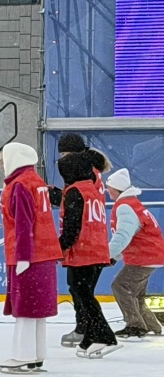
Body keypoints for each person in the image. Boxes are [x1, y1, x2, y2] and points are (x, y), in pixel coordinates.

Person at [0, 143, 60, 374]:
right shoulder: (37, 182)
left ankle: (22, 355)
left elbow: (24, 223)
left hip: (29, 254)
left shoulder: (19, 185)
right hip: (45, 253)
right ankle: (36, 354)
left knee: (25, 307)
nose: (2, 164)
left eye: (4, 159)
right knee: (37, 309)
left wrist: (23, 256)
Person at [57, 149, 119, 358]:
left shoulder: (75, 192)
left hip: (84, 252)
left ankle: (104, 336)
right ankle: (90, 338)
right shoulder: (92, 189)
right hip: (98, 250)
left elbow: (72, 227)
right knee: (85, 294)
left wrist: (59, 247)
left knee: (83, 296)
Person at [106, 167, 164, 340]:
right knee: (135, 293)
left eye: (109, 187)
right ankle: (153, 326)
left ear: (116, 189)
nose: (107, 190)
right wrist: (114, 257)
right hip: (152, 255)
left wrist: (107, 255)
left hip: (144, 257)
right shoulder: (132, 203)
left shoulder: (124, 207)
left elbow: (123, 236)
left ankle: (135, 325)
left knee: (120, 286)